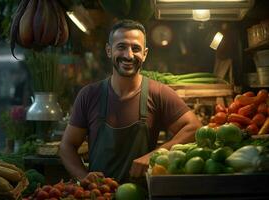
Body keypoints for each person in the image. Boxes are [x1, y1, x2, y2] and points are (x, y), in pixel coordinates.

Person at [60, 19, 202, 183]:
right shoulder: (89, 95)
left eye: (136, 48)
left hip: (141, 193)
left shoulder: (159, 93)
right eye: (121, 47)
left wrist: (155, 155)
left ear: (145, 54)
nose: (128, 55)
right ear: (109, 50)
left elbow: (194, 128)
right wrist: (83, 176)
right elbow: (67, 146)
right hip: (99, 194)